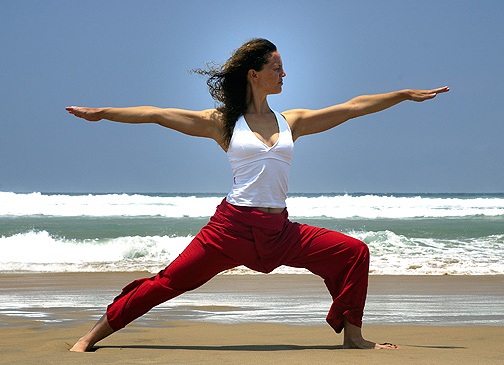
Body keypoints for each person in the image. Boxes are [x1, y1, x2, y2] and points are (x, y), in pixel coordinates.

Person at [66, 38, 449, 352]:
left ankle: (353, 338)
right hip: (229, 230)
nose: (284, 74)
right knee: (167, 282)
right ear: (254, 74)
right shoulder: (222, 122)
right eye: (276, 68)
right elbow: (156, 114)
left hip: (279, 232)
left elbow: (350, 108)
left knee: (353, 253)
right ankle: (91, 337)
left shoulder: (290, 121)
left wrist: (401, 94)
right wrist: (103, 113)